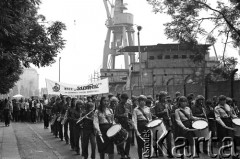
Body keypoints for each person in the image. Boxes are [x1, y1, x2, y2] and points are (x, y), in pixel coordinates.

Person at [152, 91, 173, 157]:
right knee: (161, 138)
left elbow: (170, 113)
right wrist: (162, 112)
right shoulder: (157, 105)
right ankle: (160, 152)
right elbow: (156, 114)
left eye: (165, 96)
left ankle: (169, 152)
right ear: (160, 97)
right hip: (161, 123)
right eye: (163, 96)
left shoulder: (167, 104)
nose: (165, 98)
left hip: (167, 123)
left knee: (169, 139)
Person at [132, 95, 152, 159]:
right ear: (138, 101)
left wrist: (150, 126)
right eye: (141, 101)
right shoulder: (135, 110)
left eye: (144, 101)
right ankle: (140, 157)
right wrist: (136, 131)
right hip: (139, 127)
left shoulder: (148, 109)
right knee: (140, 144)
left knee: (147, 143)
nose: (142, 102)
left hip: (147, 126)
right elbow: (134, 121)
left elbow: (150, 118)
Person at [114, 93, 133, 159]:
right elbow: (115, 115)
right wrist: (123, 115)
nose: (125, 100)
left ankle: (127, 153)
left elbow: (131, 114)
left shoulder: (128, 105)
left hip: (128, 124)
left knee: (130, 138)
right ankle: (122, 154)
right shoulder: (117, 106)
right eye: (124, 99)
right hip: (121, 124)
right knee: (121, 140)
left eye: (126, 99)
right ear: (121, 98)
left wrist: (129, 114)